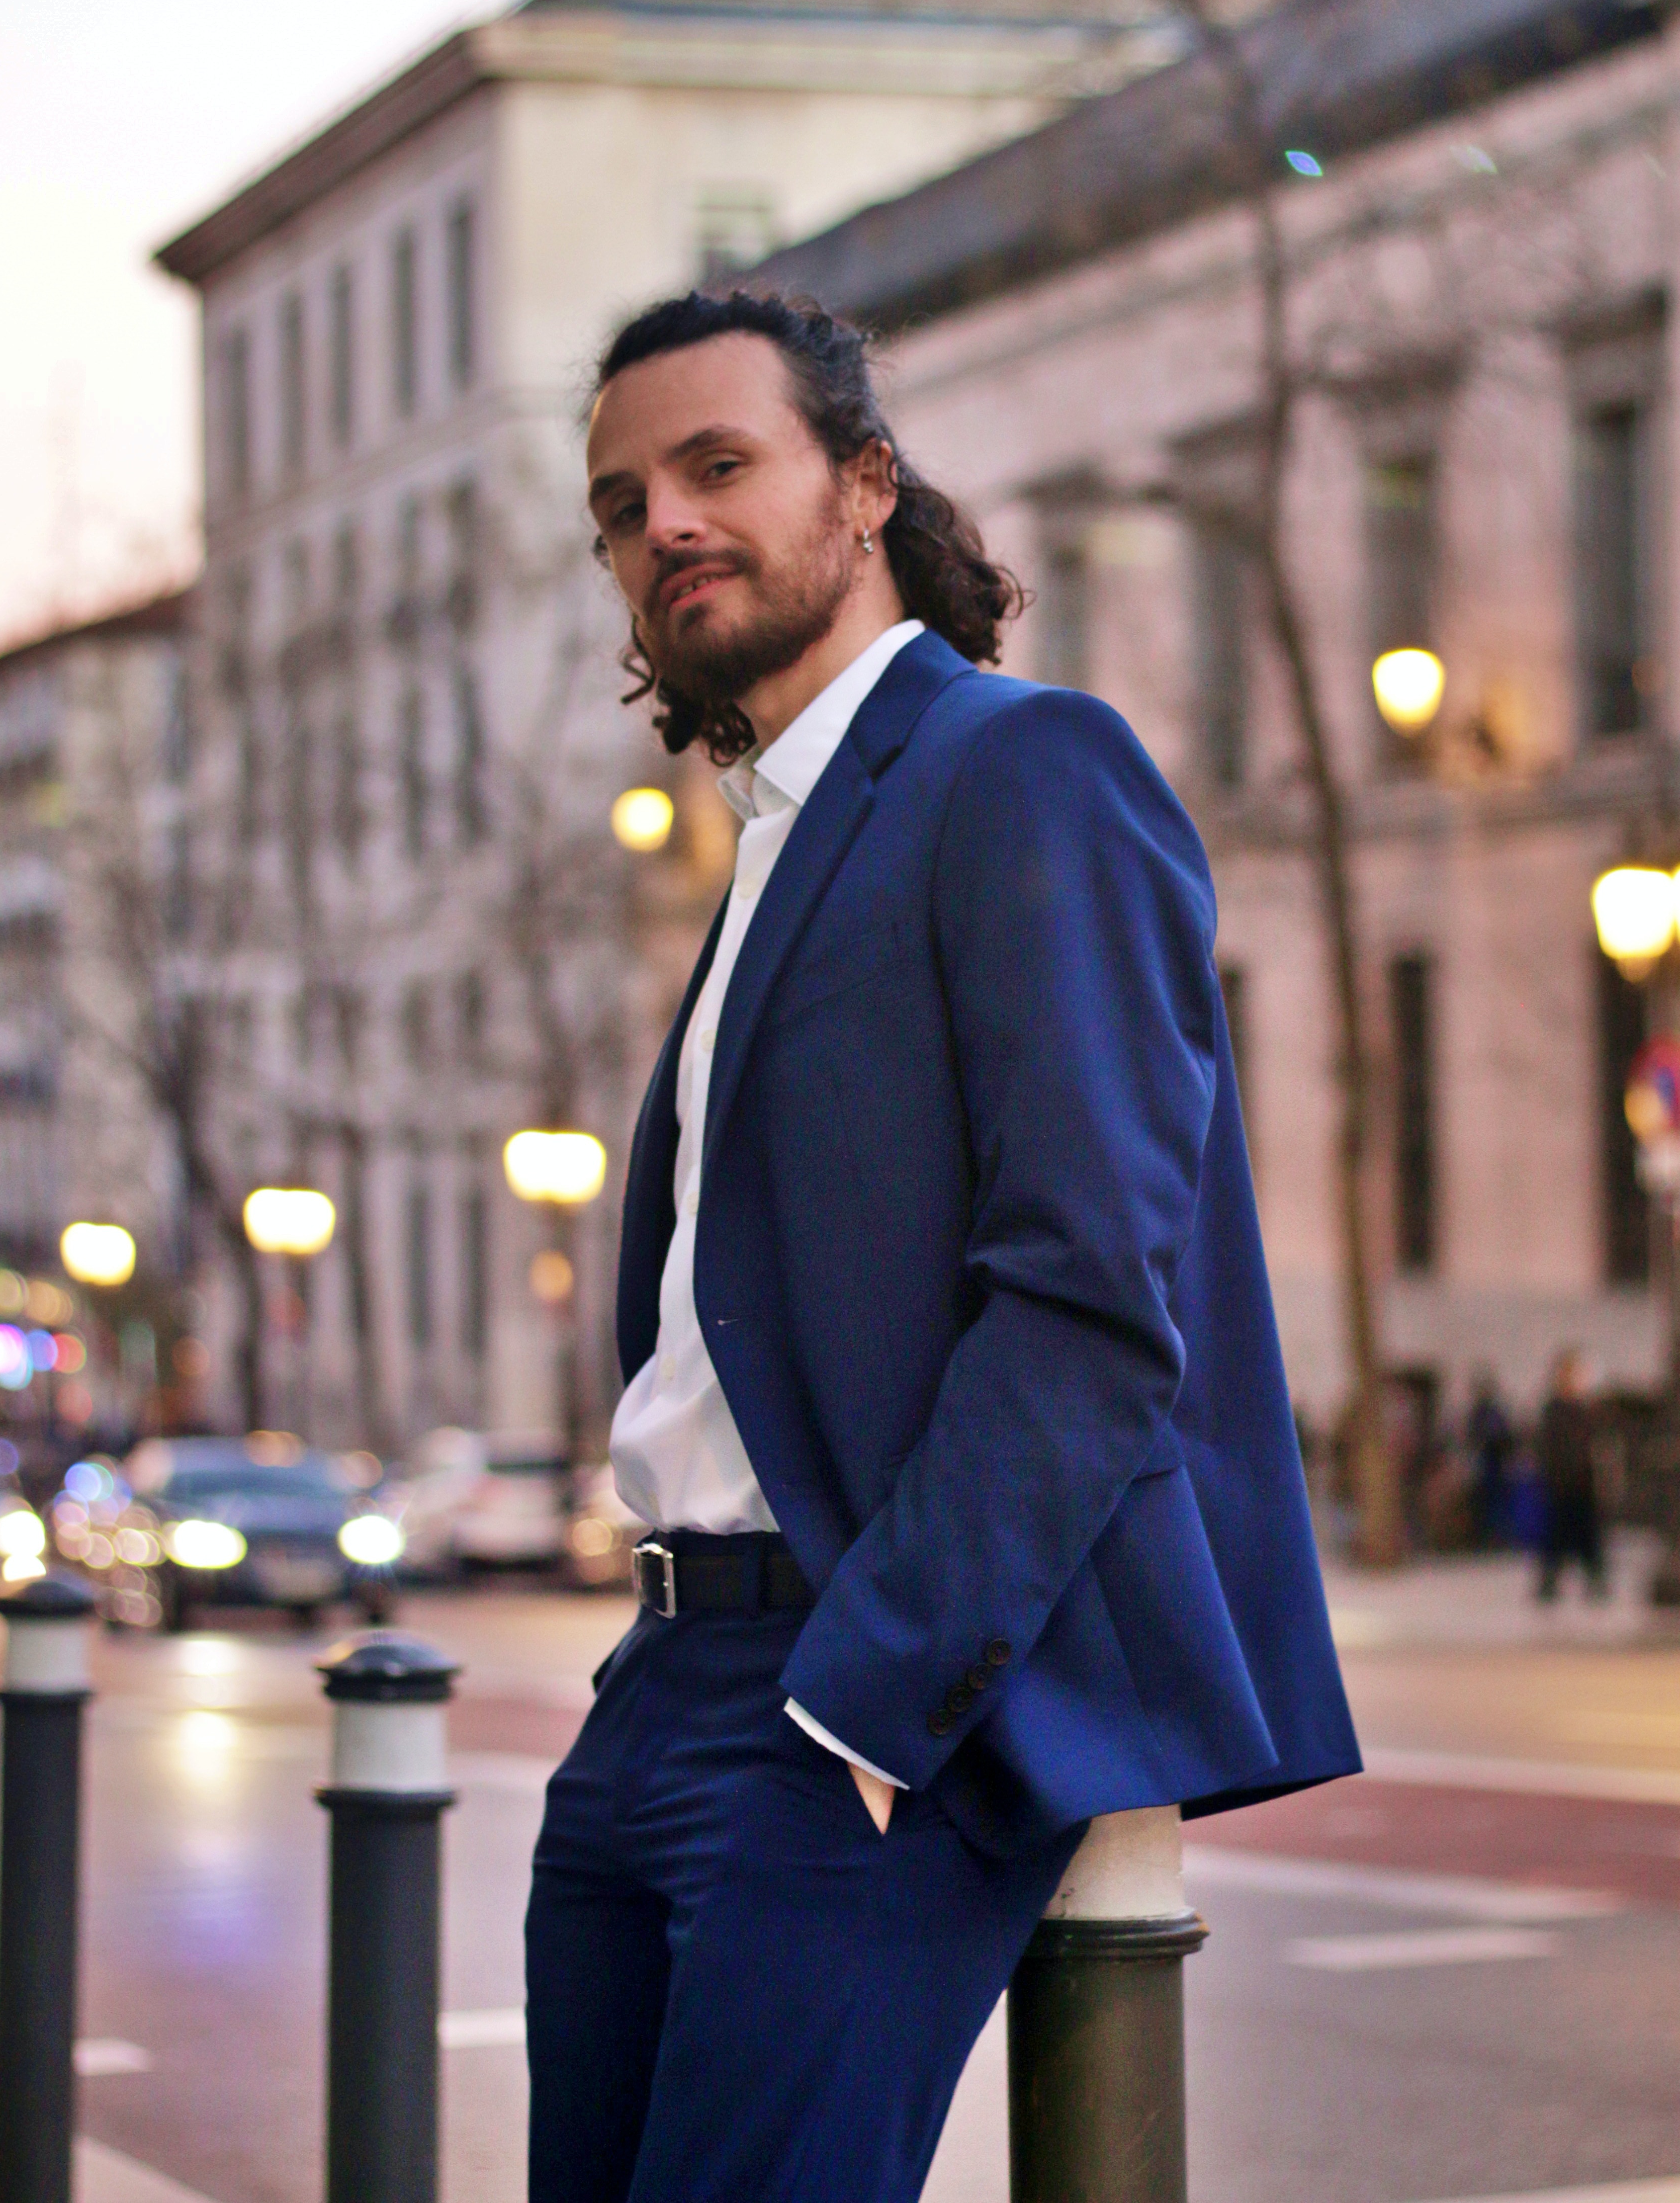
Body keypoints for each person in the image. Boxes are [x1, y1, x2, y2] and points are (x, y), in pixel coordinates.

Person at [523, 290, 1360, 2203]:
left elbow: (1091, 1294)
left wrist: (874, 1700)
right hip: (658, 1688)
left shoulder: (1021, 766)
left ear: (864, 487)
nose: (663, 523)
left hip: (840, 1699)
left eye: (717, 464)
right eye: (622, 504)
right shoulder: (773, 839)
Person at [1535, 1347, 1607, 1601]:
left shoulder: (1584, 1410)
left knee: (1588, 1537)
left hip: (1583, 1484)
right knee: (1557, 1537)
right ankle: (1549, 1583)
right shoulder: (1554, 1410)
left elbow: (1593, 1445)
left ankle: (1595, 1581)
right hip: (1561, 1485)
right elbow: (1547, 1447)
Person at [1463, 1366, 1514, 1547]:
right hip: (1484, 1464)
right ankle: (1486, 1535)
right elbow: (1472, 1438)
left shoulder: (1494, 1413)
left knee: (1496, 1502)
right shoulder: (1479, 1414)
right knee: (1485, 1503)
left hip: (1495, 1463)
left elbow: (1506, 1437)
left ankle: (1497, 1535)